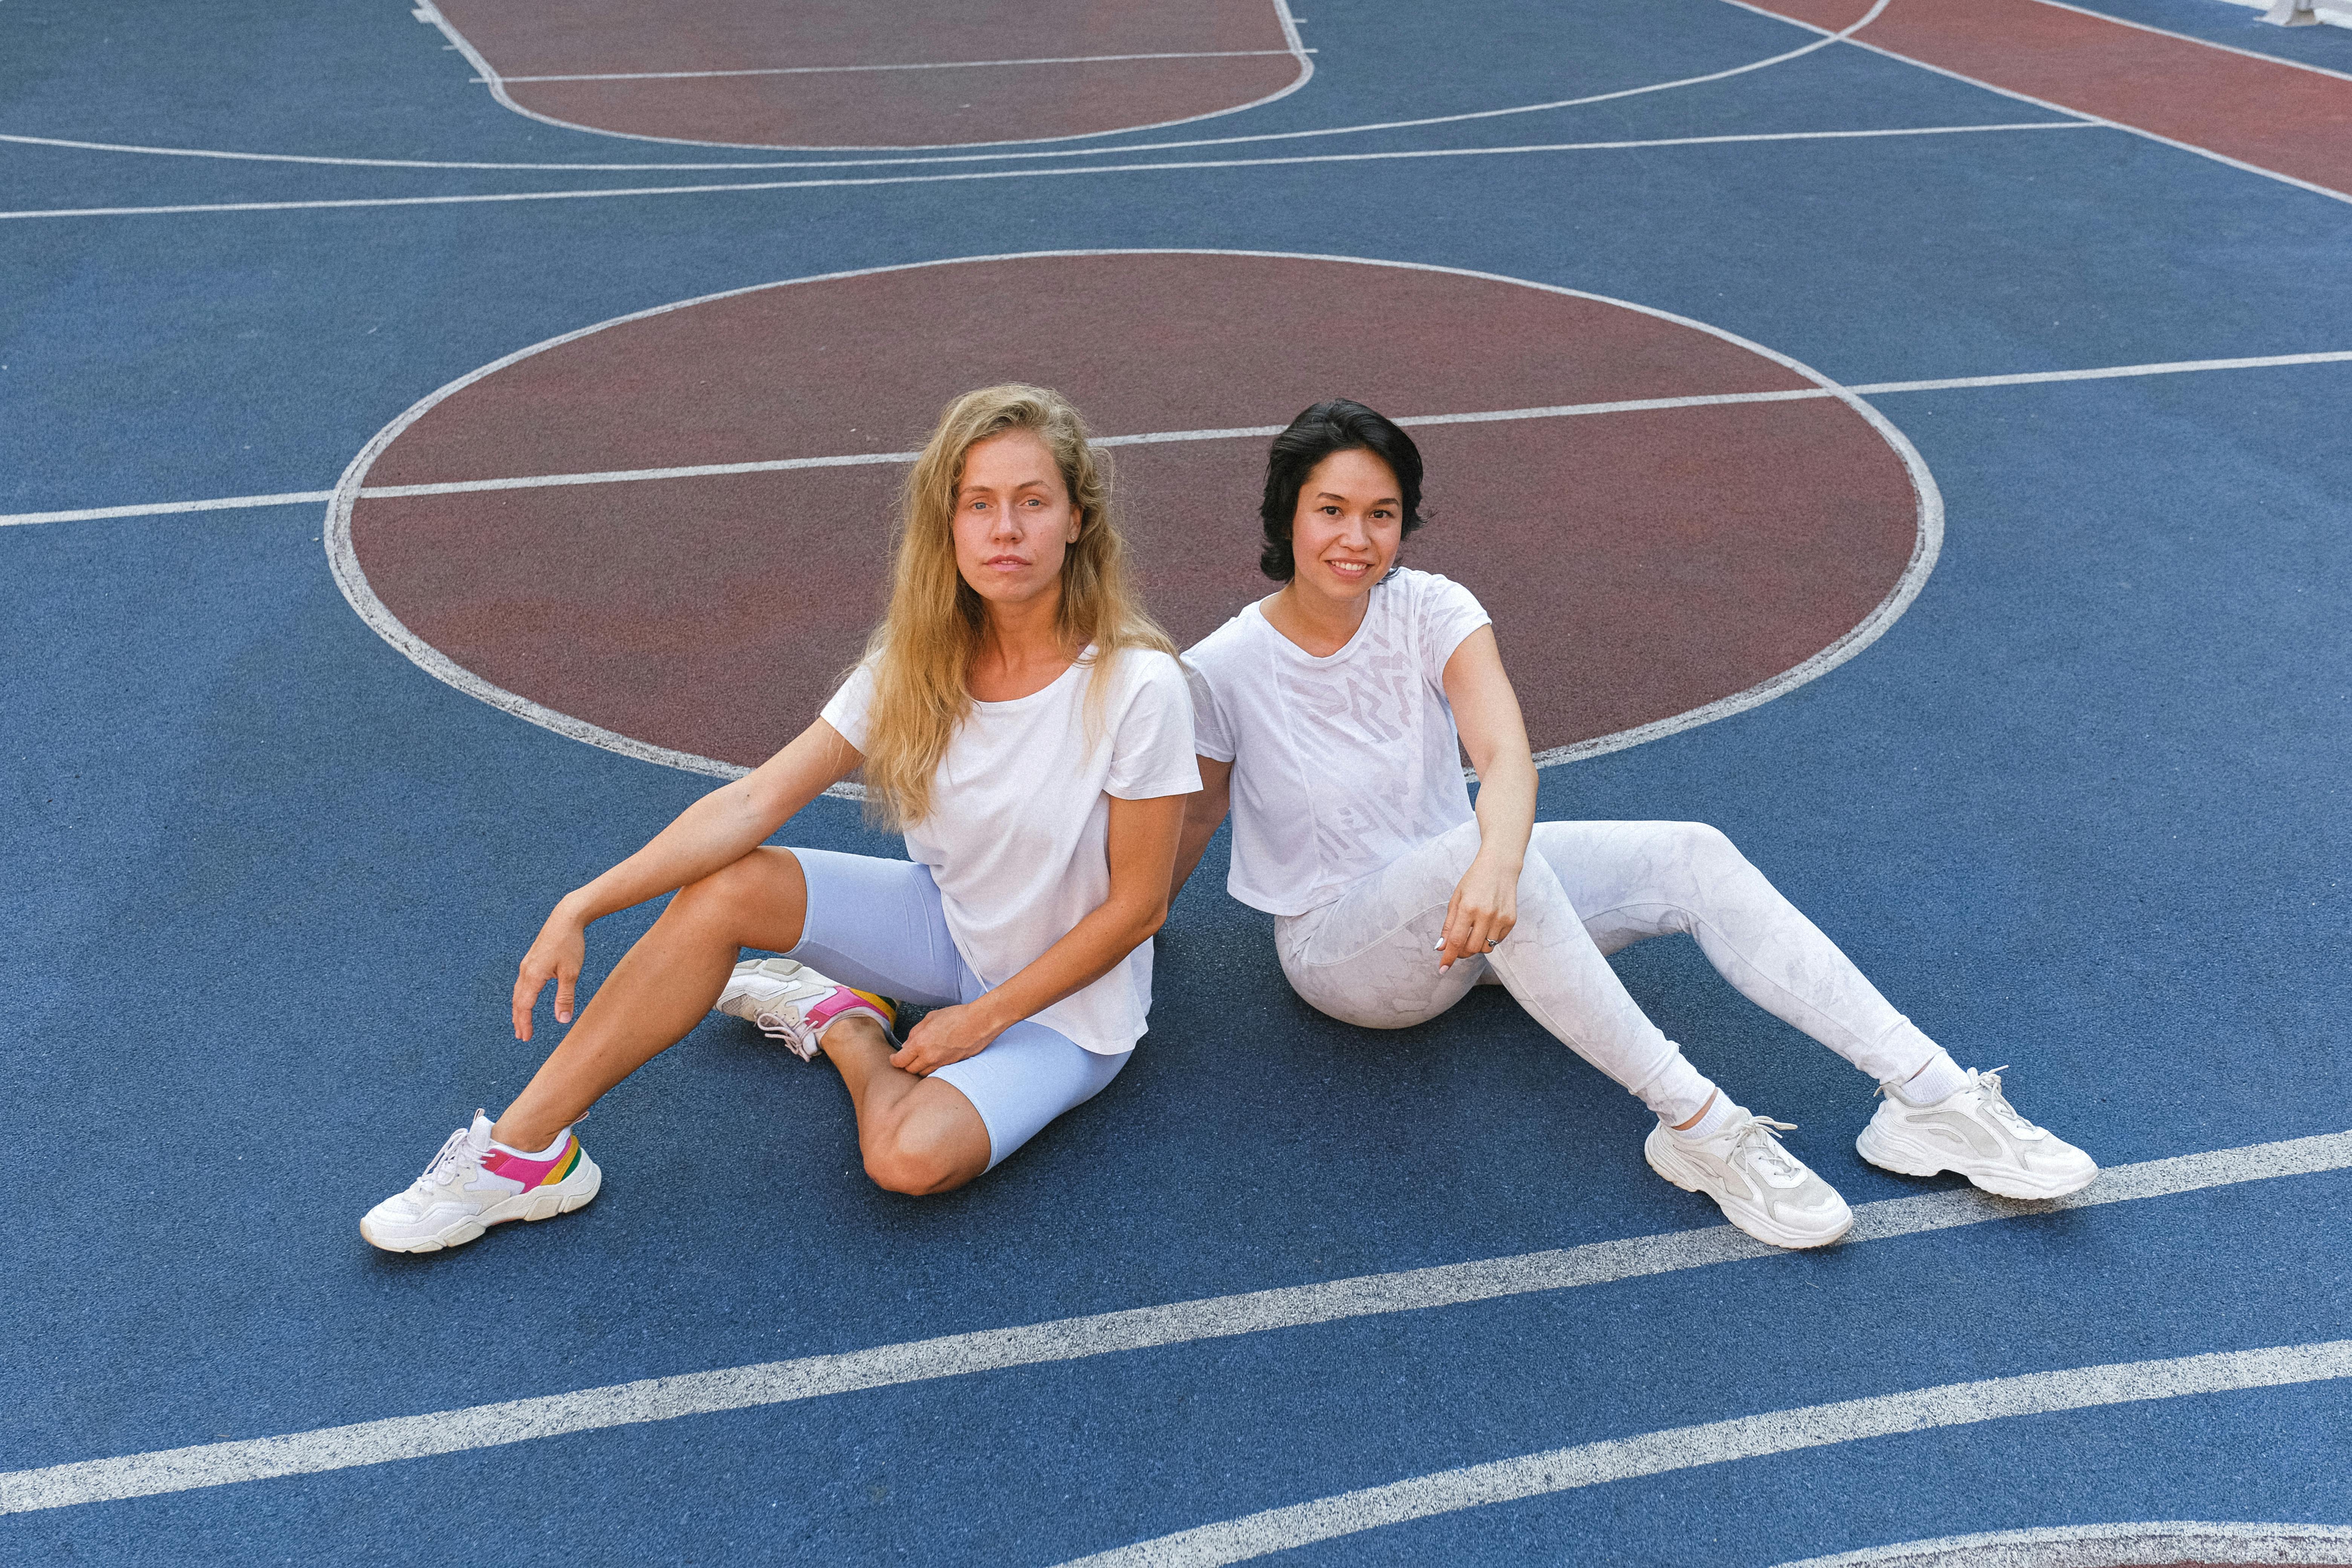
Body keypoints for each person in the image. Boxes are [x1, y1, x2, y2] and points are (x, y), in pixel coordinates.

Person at [1173, 398, 2095, 1250]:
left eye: (1382, 513)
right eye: (1331, 509)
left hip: (1476, 901)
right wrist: (1128, 938)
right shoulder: (1224, 666)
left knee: (1690, 852)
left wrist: (1495, 862)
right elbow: (1196, 810)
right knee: (1502, 860)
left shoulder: (1431, 607)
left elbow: (1503, 754)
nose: (1358, 537)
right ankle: (1698, 1126)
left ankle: (1927, 1095)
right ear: (1285, 514)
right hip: (1349, 956)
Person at [361, 385, 1199, 1252]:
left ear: (1076, 521)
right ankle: (524, 1155)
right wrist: (585, 901)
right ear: (947, 526)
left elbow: (1138, 908)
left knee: (907, 1158)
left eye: (1033, 503)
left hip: (1069, 1009)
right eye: (977, 504)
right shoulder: (915, 664)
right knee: (726, 886)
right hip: (955, 929)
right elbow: (755, 801)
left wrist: (982, 1022)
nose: (1006, 530)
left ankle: (843, 1022)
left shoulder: (1137, 685)